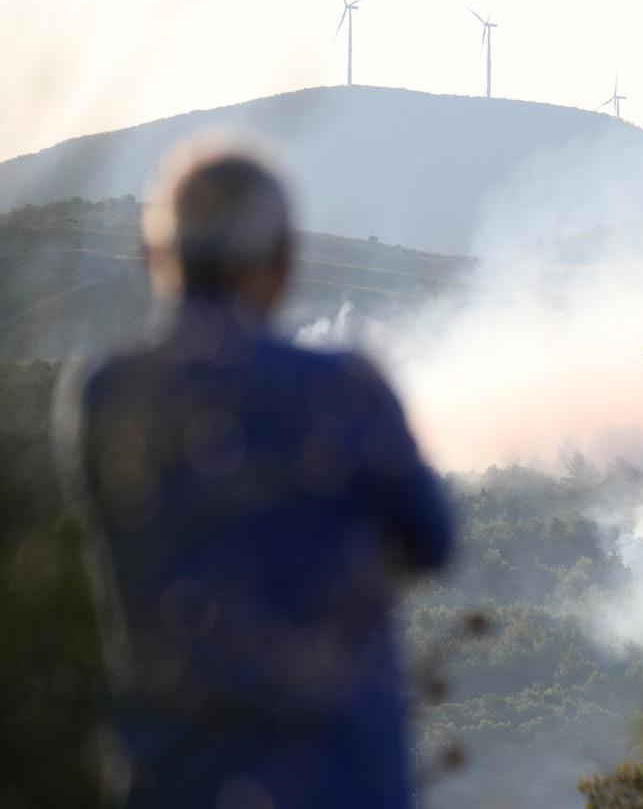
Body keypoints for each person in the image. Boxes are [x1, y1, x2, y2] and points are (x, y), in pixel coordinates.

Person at [68, 144, 453, 808]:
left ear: (155, 257)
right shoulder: (346, 389)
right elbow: (435, 540)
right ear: (281, 262)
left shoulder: (106, 395)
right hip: (342, 779)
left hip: (174, 782)